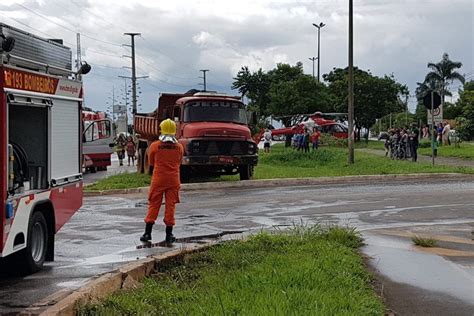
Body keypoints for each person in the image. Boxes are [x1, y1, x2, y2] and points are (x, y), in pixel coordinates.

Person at [140, 119, 184, 246]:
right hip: (174, 180)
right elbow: (179, 162)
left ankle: (147, 233)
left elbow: (152, 163)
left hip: (158, 179)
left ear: (161, 130)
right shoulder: (179, 147)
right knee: (171, 206)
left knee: (154, 204)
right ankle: (169, 235)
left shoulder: (154, 146)